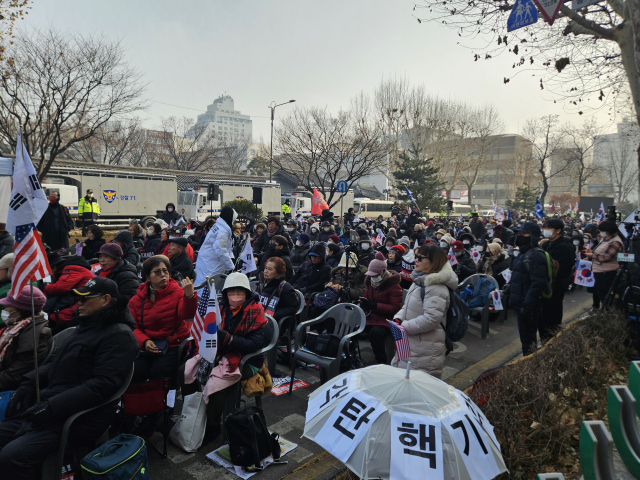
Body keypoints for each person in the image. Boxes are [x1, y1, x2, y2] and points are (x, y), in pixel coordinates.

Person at [0, 277, 137, 480]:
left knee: (12, 457)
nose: (78, 304)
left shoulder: (119, 336)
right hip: (52, 404)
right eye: (78, 300)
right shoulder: (86, 327)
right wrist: (28, 383)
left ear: (106, 300)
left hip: (80, 417)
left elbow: (102, 386)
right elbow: (59, 364)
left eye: (84, 300)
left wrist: (51, 407)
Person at [180, 272, 267, 442]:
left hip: (246, 360)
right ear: (225, 293)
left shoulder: (256, 311)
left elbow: (255, 345)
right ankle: (194, 413)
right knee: (185, 370)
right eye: (231, 292)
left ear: (247, 293)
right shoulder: (220, 308)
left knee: (215, 388)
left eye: (239, 292)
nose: (235, 296)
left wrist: (228, 338)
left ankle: (213, 426)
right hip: (220, 354)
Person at [391, 244, 458, 378]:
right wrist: (398, 318)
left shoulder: (436, 288)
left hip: (426, 347)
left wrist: (404, 326)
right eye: (416, 256)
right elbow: (407, 306)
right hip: (412, 342)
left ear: (434, 262)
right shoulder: (419, 281)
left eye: (421, 258)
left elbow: (431, 319)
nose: (416, 260)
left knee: (417, 386)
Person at [129, 256, 197, 382]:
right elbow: (133, 327)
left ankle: (163, 401)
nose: (163, 275)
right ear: (147, 277)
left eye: (165, 271)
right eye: (157, 272)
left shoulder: (177, 292)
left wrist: (189, 296)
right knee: (135, 372)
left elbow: (187, 315)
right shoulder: (137, 300)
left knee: (159, 374)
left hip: (173, 344)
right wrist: (144, 341)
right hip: (148, 345)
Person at [508, 222, 550, 356]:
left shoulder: (536, 255)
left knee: (528, 339)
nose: (519, 236)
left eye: (523, 234)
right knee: (525, 337)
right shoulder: (524, 253)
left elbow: (538, 283)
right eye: (519, 234)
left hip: (528, 306)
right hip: (521, 302)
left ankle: (530, 366)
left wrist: (527, 305)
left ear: (532, 236)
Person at [0, 286, 52, 391]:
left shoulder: (34, 336)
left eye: (8, 306)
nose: (5, 310)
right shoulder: (15, 327)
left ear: (22, 311)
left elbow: (14, 376)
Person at [358, 252, 403, 364]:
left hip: (387, 320)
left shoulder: (393, 286)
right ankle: (348, 356)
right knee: (351, 325)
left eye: (375, 275)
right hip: (371, 316)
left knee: (376, 333)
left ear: (382, 273)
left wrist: (375, 306)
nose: (372, 278)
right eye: (371, 275)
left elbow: (395, 308)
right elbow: (367, 297)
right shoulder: (371, 283)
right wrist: (364, 303)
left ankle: (381, 360)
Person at [540, 218, 575, 342]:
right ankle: (545, 340)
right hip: (546, 286)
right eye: (545, 228)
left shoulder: (562, 247)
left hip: (555, 287)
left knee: (552, 317)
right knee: (543, 317)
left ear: (558, 230)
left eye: (548, 228)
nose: (545, 230)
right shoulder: (547, 243)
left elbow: (558, 269)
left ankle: (551, 342)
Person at [43, 254, 95, 332]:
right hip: (79, 300)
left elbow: (60, 287)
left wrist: (43, 288)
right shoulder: (66, 271)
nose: (49, 274)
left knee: (54, 317)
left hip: (86, 301)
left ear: (54, 267)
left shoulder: (71, 269)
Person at [585, 220, 624, 306]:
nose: (601, 233)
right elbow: (600, 251)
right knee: (598, 292)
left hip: (607, 272)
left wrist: (593, 256)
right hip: (599, 270)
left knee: (604, 294)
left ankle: (608, 313)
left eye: (602, 231)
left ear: (608, 231)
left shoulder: (616, 242)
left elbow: (606, 257)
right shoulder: (605, 239)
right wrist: (591, 252)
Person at [195, 207, 237, 281]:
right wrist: (231, 268)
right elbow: (221, 251)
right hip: (211, 263)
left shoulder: (218, 226)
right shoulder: (222, 231)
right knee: (208, 286)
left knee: (202, 282)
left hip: (207, 260)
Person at [257, 257, 299, 325]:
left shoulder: (285, 287)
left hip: (275, 323)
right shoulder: (262, 283)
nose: (266, 271)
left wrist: (273, 314)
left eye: (270, 269)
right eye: (266, 268)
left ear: (278, 272)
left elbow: (293, 308)